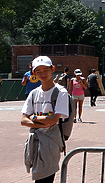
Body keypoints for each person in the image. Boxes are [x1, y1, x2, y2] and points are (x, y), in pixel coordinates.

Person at [21, 55, 69, 183]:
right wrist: (44, 122)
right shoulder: (34, 93)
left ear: (52, 69)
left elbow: (54, 120)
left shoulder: (61, 92)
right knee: (40, 177)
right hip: (35, 140)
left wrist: (34, 117)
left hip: (51, 140)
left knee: (45, 177)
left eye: (46, 70)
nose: (42, 74)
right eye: (38, 71)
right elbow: (23, 120)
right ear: (34, 73)